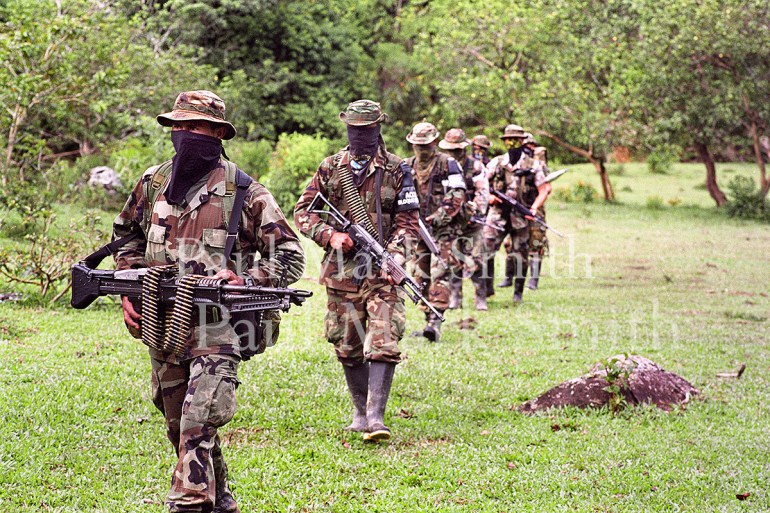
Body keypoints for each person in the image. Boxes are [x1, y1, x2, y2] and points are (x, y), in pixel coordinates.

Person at [113, 90, 306, 513]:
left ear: (217, 134)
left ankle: (187, 503)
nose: (182, 135)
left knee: (199, 420)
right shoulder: (154, 182)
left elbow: (290, 256)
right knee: (178, 426)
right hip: (163, 324)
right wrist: (130, 288)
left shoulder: (244, 191)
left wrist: (246, 277)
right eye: (176, 127)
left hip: (219, 326)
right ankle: (222, 503)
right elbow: (125, 237)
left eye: (193, 127)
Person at [294, 100, 420, 442]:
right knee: (347, 343)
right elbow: (304, 212)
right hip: (342, 272)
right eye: (355, 130)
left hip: (382, 272)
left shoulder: (397, 169)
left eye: (367, 130)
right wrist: (329, 235)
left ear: (378, 128)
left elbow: (409, 222)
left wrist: (392, 255)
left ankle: (376, 417)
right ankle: (360, 412)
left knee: (383, 339)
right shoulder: (330, 167)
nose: (360, 136)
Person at [404, 122, 466, 340]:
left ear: (434, 143)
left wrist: (437, 217)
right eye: (417, 145)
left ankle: (435, 322)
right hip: (416, 230)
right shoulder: (406, 166)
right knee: (420, 275)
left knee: (440, 273)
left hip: (443, 231)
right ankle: (427, 321)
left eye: (426, 145)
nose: (422, 149)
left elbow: (457, 195)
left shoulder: (448, 164)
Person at [484, 126, 550, 303]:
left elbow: (544, 189)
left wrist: (534, 208)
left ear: (522, 142)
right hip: (497, 215)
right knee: (486, 250)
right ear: (504, 141)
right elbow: (481, 183)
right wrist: (489, 197)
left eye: (516, 140)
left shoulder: (533, 164)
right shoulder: (497, 162)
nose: (512, 143)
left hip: (520, 216)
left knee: (520, 254)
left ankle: (518, 293)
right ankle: (486, 288)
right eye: (508, 140)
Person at [438, 128, 490, 310]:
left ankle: (480, 297)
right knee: (452, 260)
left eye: (456, 150)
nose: (453, 153)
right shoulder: (441, 166)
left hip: (472, 221)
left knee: (477, 259)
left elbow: (482, 193)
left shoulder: (475, 166)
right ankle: (455, 297)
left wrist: (472, 210)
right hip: (450, 222)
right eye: (450, 150)